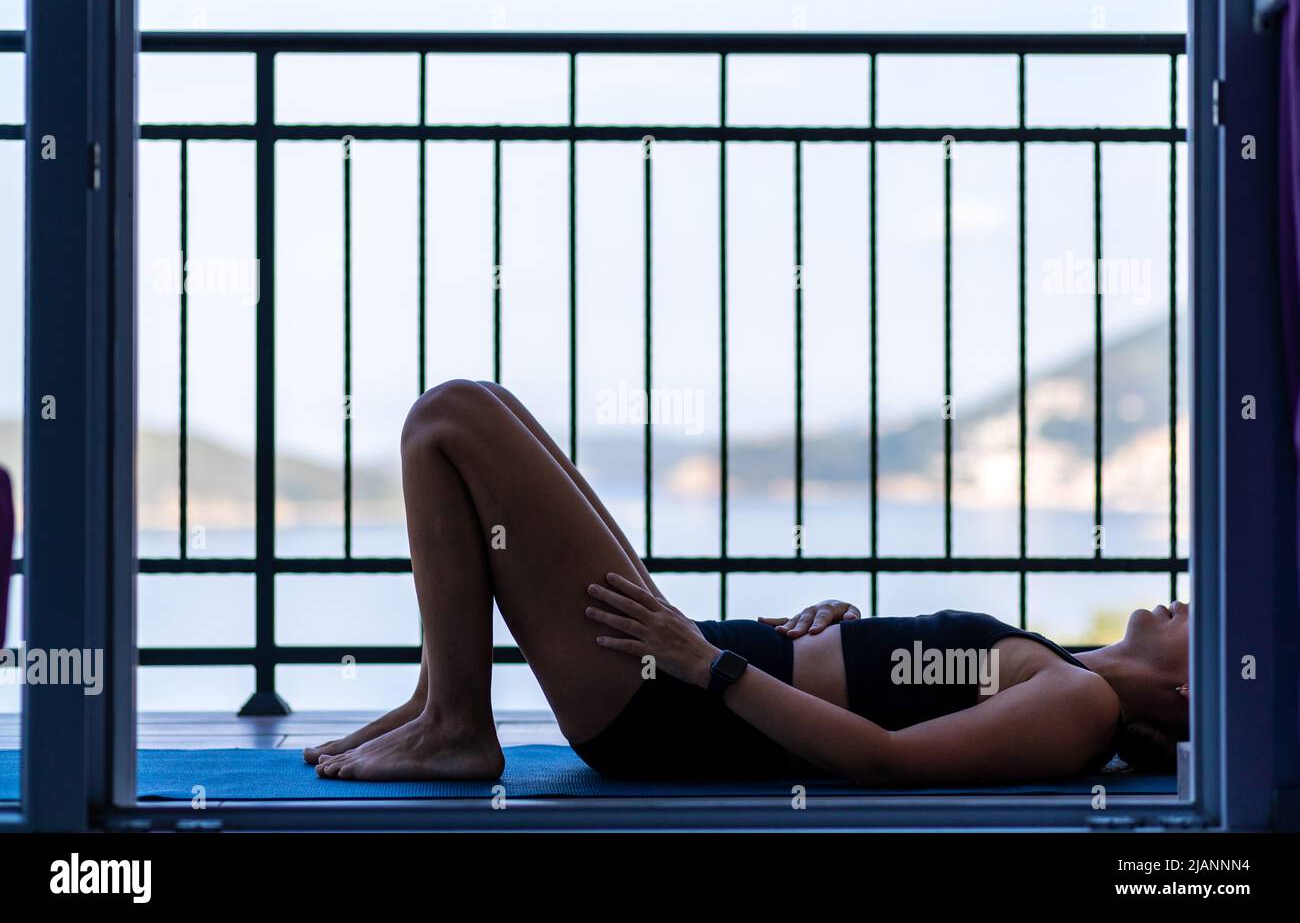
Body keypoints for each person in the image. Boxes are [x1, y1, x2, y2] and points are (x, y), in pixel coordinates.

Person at [307, 380, 1189, 783]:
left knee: (448, 420)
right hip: (678, 673)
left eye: (1205, 619)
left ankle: (459, 726)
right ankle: (438, 703)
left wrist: (710, 665)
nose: (1188, 602)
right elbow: (907, 693)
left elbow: (885, 760)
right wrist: (850, 633)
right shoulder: (1070, 670)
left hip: (663, 703)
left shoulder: (1084, 704)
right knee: (483, 406)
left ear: (1190, 685)